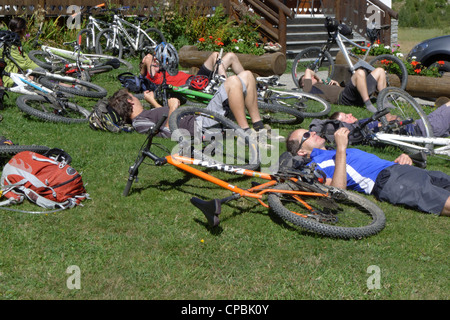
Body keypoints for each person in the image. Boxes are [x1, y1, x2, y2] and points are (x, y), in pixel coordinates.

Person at [286, 127, 450, 216]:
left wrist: (403, 158)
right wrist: (341, 148)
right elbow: (337, 190)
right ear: (301, 152)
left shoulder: (329, 152)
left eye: (310, 130)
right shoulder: (316, 166)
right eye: (307, 135)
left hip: (402, 170)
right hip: (390, 181)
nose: (313, 132)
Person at [327, 100, 450, 138]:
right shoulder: (363, 127)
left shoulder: (362, 123)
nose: (349, 114)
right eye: (346, 117)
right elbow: (386, 124)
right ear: (345, 124)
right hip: (422, 131)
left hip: (420, 125)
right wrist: (389, 118)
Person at [299, 67, 387, 113]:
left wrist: (336, 84)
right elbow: (308, 70)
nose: (312, 77)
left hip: (352, 93)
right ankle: (368, 104)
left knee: (380, 71)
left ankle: (384, 101)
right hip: (344, 97)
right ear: (303, 84)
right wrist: (318, 79)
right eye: (309, 78)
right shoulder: (308, 89)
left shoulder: (321, 86)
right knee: (359, 72)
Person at [140, 49, 244, 87]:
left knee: (229, 56)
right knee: (216, 56)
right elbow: (148, 73)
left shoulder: (163, 70)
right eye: (152, 62)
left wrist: (151, 60)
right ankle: (227, 86)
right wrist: (147, 60)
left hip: (198, 78)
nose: (155, 61)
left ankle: (248, 82)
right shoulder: (152, 76)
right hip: (194, 84)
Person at [1, 17, 39, 87]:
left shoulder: (11, 39)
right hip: (7, 77)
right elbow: (23, 64)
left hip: (12, 72)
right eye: (25, 28)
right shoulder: (11, 43)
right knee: (37, 82)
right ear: (22, 29)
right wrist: (41, 70)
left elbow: (24, 57)